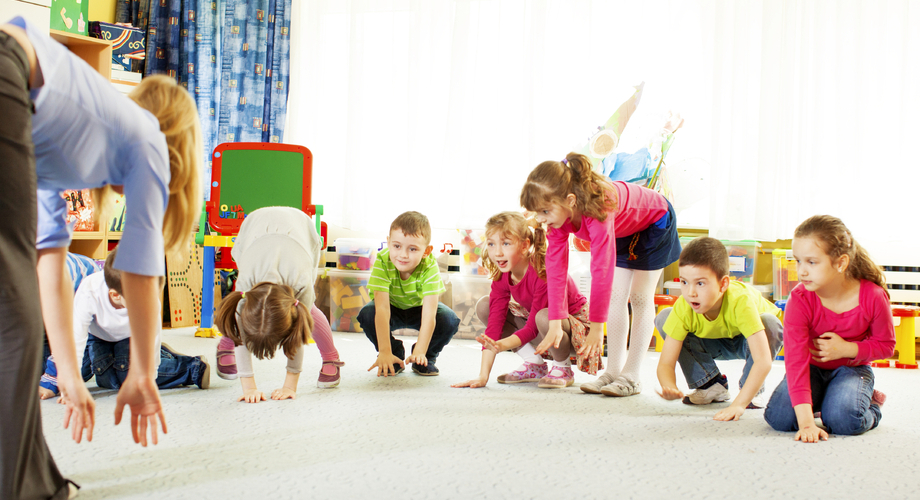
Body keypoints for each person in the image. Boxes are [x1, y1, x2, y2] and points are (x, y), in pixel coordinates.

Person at [1, 15, 202, 498]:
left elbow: (48, 260)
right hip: (8, 65)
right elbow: (140, 264)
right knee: (14, 323)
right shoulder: (147, 138)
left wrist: (69, 376)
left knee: (15, 312)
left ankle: (34, 482)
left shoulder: (61, 144)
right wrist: (141, 372)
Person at [520, 152, 681, 397]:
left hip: (654, 223)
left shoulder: (599, 206)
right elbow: (555, 272)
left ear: (570, 201)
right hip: (624, 230)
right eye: (536, 213)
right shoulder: (558, 218)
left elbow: (601, 270)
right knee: (617, 295)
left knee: (639, 296)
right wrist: (554, 322)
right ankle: (613, 371)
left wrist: (597, 328)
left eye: (544, 211)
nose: (540, 220)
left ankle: (631, 375)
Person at [764, 215, 894, 442]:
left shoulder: (872, 296)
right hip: (811, 369)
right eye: (798, 261)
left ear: (841, 263)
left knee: (845, 421)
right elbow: (795, 361)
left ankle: (871, 406)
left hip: (851, 370)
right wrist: (806, 424)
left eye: (811, 262)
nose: (801, 271)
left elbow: (886, 346)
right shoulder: (800, 298)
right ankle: (822, 401)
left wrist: (847, 349)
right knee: (779, 418)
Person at [451, 212, 601, 389]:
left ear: (524, 246)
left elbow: (531, 328)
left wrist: (502, 344)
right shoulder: (502, 274)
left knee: (545, 316)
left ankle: (563, 368)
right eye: (491, 244)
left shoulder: (542, 271)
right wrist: (483, 376)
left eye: (506, 243)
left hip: (575, 334)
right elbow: (494, 327)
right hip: (541, 327)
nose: (497, 252)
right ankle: (534, 364)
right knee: (485, 305)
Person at [214, 207, 343, 403]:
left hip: (301, 231)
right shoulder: (246, 284)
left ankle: (331, 357)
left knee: (311, 311)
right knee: (238, 316)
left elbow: (300, 331)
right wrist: (249, 388)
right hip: (254, 228)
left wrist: (289, 386)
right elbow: (240, 325)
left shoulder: (301, 283)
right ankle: (226, 344)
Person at [654, 237, 783, 420]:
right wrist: (670, 386)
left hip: (747, 341)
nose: (690, 292)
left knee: (769, 323)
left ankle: (751, 391)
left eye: (700, 283)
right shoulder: (685, 305)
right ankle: (711, 384)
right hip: (710, 342)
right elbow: (666, 363)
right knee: (664, 317)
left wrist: (739, 404)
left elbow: (763, 361)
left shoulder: (741, 300)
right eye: (684, 282)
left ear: (723, 284)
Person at [358, 211, 459, 376]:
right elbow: (382, 309)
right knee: (368, 313)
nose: (403, 255)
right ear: (388, 242)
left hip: (419, 309)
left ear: (426, 251)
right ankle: (393, 354)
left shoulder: (429, 266)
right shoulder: (383, 261)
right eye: (397, 246)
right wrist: (384, 351)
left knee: (449, 319)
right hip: (391, 308)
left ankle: (424, 358)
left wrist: (420, 349)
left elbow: (429, 314)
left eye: (413, 249)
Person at [39, 253, 101, 400]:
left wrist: (52, 381)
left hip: (84, 320)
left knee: (85, 370)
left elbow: (70, 333)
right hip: (41, 312)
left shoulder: (53, 277)